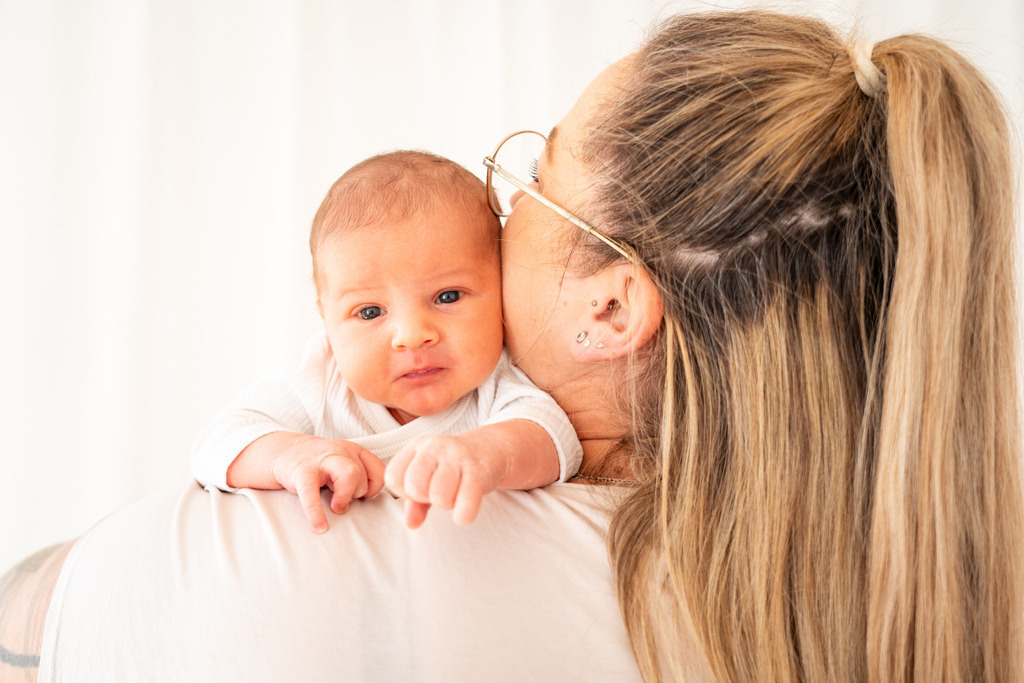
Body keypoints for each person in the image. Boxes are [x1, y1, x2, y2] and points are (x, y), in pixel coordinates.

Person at [1, 10, 1021, 682]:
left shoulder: (263, 563)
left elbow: (52, 608)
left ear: (612, 310)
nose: (501, 200)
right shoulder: (910, 611)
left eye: (537, 169)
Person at [190, 150, 581, 532]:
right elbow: (217, 442)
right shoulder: (324, 382)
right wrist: (289, 455)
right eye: (370, 312)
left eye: (447, 297)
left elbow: (554, 437)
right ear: (326, 320)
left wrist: (486, 452)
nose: (412, 335)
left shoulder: (497, 383)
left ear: (501, 289)